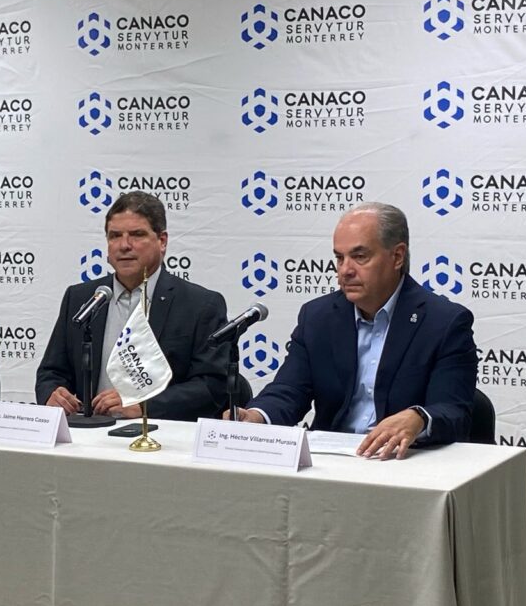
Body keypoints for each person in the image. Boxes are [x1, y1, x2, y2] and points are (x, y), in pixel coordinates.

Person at [230, 202, 477, 459]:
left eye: (360, 257)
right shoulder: (318, 317)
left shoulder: (444, 322)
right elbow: (289, 391)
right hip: (332, 461)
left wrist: (418, 418)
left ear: (397, 257)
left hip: (403, 461)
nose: (345, 270)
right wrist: (257, 416)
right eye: (339, 258)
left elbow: (454, 411)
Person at [35, 191, 228, 421]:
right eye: (115, 236)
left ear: (162, 241)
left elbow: (211, 387)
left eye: (137, 235)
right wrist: (52, 394)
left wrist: (144, 406)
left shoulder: (200, 305)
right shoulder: (81, 297)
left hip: (162, 434)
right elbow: (51, 372)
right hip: (88, 433)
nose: (124, 245)